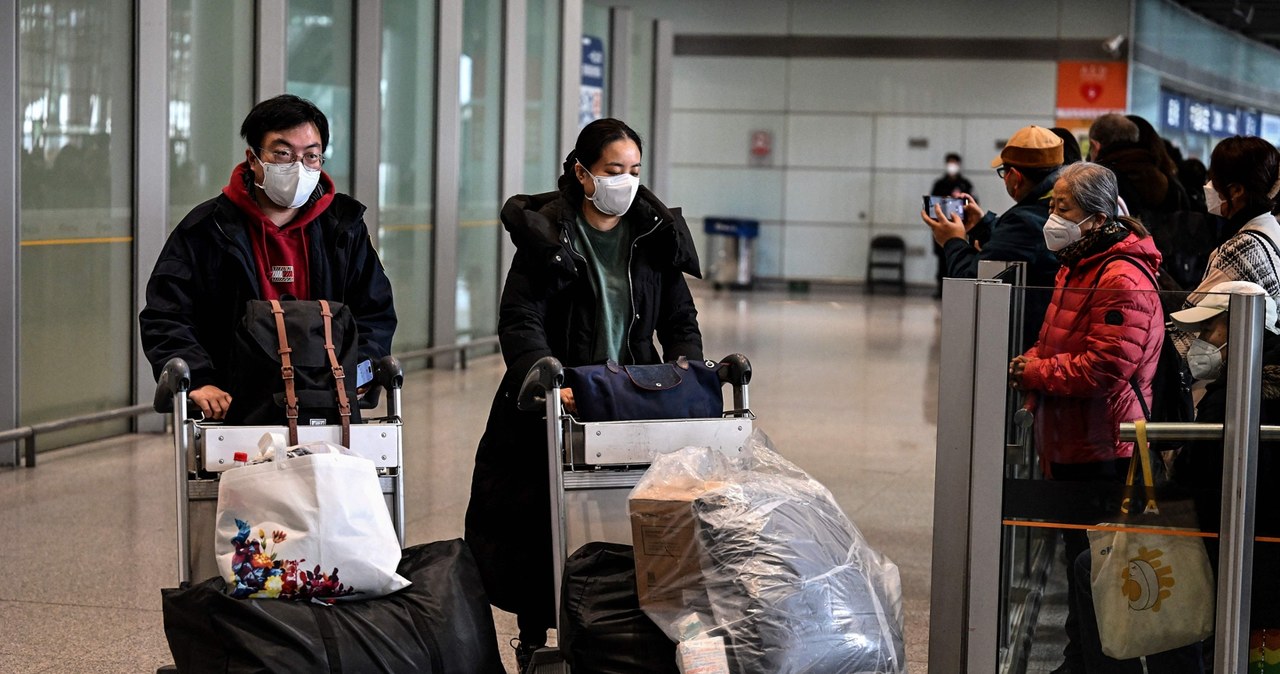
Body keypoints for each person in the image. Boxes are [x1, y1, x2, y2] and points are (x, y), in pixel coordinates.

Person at [463, 118, 704, 670]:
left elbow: (679, 317)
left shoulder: (650, 233)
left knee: (629, 515)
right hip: (560, 397)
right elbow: (521, 316)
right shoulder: (549, 233)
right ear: (582, 172)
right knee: (537, 519)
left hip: (632, 397)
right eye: (613, 170)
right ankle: (535, 632)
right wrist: (546, 373)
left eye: (634, 171)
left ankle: (627, 627)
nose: (625, 181)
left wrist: (686, 373)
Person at [139, 94, 396, 420]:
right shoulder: (207, 230)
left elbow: (375, 311)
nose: (299, 166)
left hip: (328, 402)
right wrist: (199, 379)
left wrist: (360, 370)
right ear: (253, 158)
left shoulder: (343, 229)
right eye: (283, 153)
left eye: (311, 156)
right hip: (233, 405)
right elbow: (167, 315)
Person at [1006, 162, 1165, 674]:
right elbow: (1064, 337)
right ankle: (1081, 662)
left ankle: (1100, 668)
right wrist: (1035, 357)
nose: (1051, 217)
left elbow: (1107, 368)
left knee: (1098, 573)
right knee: (1083, 570)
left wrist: (1037, 371)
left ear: (1096, 217)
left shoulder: (1119, 275)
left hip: (1103, 448)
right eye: (1051, 204)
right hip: (1072, 441)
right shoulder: (1079, 264)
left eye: (1062, 207)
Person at [1170, 282, 1280, 668]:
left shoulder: (1233, 397)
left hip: (1237, 551)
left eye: (1208, 330)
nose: (1200, 342)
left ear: (1238, 328)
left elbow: (1195, 479)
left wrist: (1175, 459)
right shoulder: (1262, 381)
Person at [921, 125, 1064, 348]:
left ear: (1014, 177)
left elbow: (972, 281)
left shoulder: (1025, 220)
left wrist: (952, 241)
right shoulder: (1058, 206)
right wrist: (984, 225)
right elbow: (1020, 246)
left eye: (1003, 173)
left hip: (1027, 340)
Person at [1185, 136, 1280, 326]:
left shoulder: (1242, 248)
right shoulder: (1272, 229)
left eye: (1214, 179)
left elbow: (1189, 318)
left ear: (1236, 190)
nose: (1209, 186)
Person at [929, 153, 975, 298]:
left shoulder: (965, 184)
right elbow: (932, 204)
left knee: (958, 255)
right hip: (942, 226)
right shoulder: (939, 184)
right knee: (942, 260)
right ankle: (940, 289)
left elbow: (972, 203)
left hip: (960, 227)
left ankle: (956, 291)